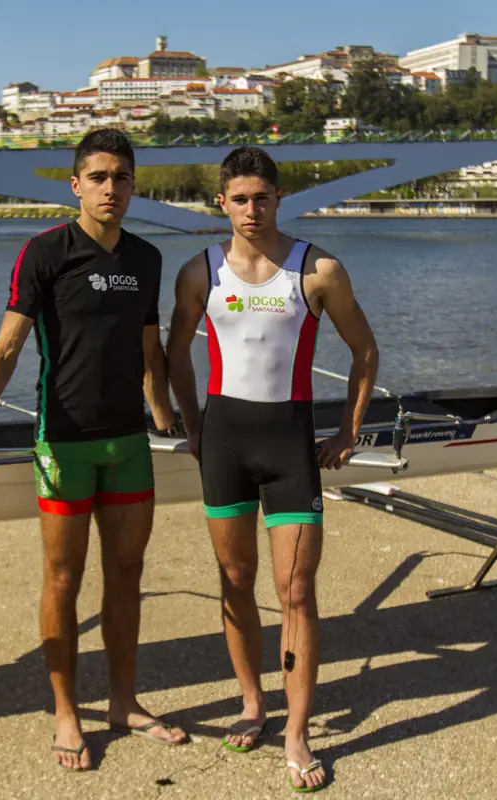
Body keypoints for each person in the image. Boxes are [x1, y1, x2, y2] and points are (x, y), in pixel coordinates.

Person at [0, 128, 188, 771]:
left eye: (121, 178)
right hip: (63, 444)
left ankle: (124, 702)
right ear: (76, 185)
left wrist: (166, 418)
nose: (110, 189)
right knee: (63, 578)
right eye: (98, 177)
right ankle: (68, 710)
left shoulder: (147, 258)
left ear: (134, 187)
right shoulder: (45, 252)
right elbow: (6, 349)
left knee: (126, 575)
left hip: (126, 443)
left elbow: (149, 351)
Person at [166, 146, 379, 793]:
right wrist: (192, 423)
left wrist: (348, 430)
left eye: (262, 197)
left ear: (279, 198)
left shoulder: (317, 270)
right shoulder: (199, 271)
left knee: (296, 592)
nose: (251, 209)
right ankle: (252, 702)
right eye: (239, 199)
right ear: (222, 203)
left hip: (289, 446)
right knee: (235, 580)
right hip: (225, 446)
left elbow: (365, 351)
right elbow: (175, 352)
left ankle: (297, 731)